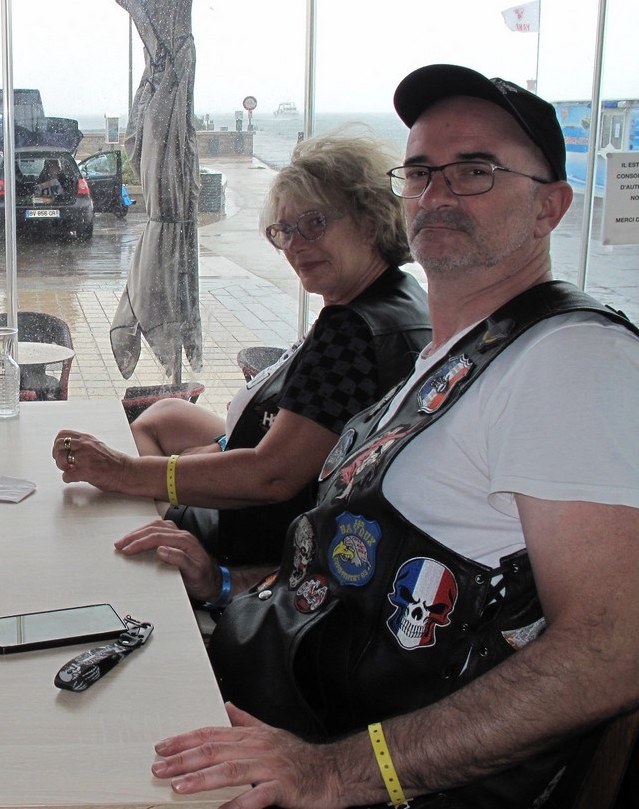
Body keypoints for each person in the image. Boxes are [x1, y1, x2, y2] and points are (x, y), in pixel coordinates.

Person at [148, 65, 639, 808]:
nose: (437, 194)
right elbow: (358, 572)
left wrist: (337, 773)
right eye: (420, 172)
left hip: (334, 758)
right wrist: (222, 584)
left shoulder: (571, 360)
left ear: (550, 206)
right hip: (263, 690)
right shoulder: (454, 353)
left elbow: (612, 649)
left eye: (475, 171)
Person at [56, 130, 431, 584]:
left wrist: (125, 472)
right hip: (275, 482)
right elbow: (315, 428)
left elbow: (271, 477)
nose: (294, 245)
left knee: (104, 513)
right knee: (166, 414)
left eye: (314, 224)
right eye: (283, 231)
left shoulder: (351, 331)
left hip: (253, 533)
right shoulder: (400, 297)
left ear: (371, 219)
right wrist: (215, 448)